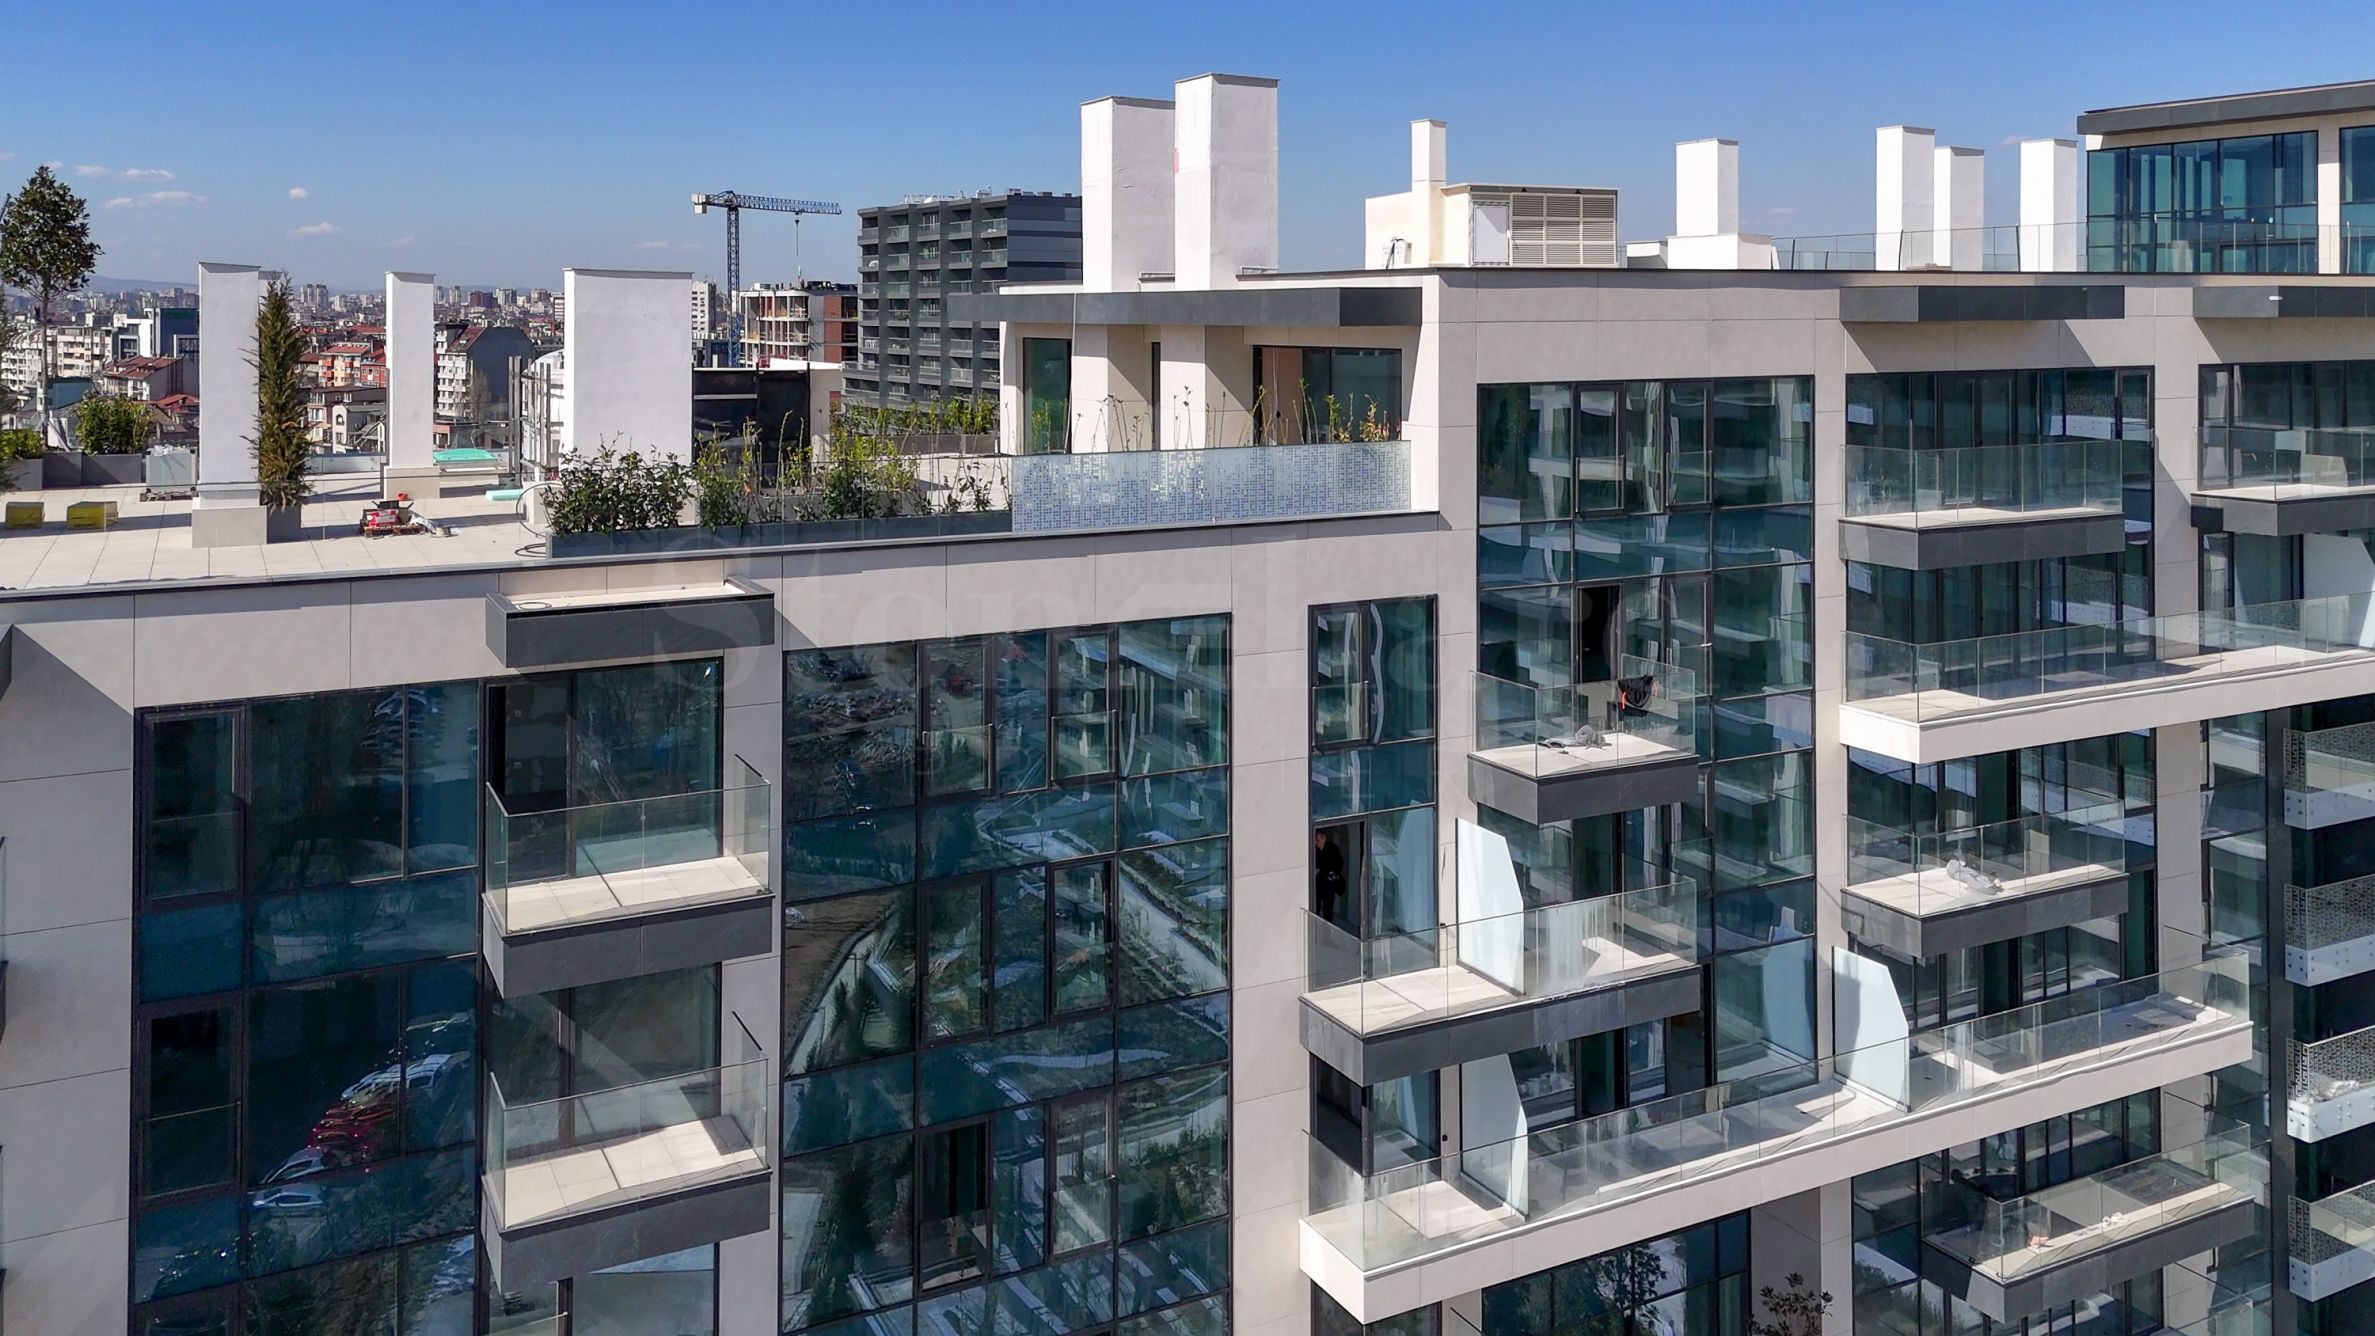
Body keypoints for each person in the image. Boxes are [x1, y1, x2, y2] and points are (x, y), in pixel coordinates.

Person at [1313, 829, 1349, 929]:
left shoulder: (1332, 848)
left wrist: (1331, 873)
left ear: (1324, 838)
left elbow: (1339, 863)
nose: (1316, 843)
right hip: (1319, 883)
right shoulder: (1315, 850)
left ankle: (1327, 930)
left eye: (1317, 840)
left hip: (1329, 884)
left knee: (1327, 909)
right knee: (1316, 906)